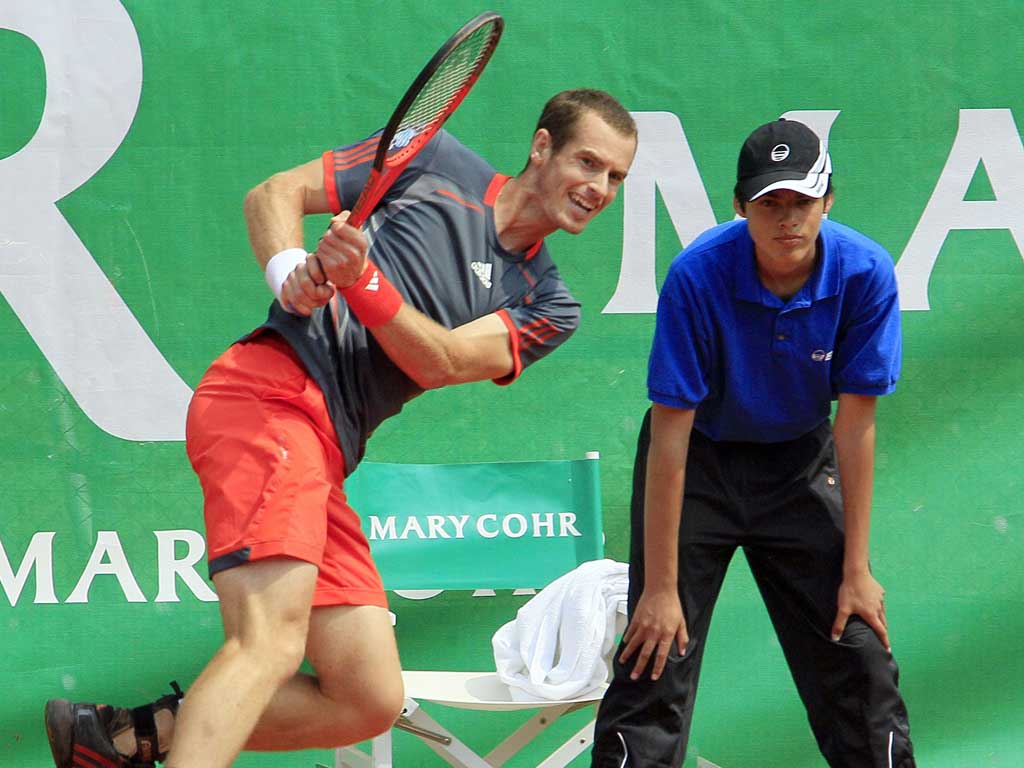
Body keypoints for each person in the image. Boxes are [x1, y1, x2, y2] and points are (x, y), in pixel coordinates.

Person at [44, 88, 637, 768]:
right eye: (588, 163)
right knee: (269, 643)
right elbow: (274, 194)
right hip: (269, 398)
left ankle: (124, 738)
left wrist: (363, 281)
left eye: (615, 177)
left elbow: (442, 360)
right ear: (541, 146)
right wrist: (288, 272)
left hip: (325, 452)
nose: (599, 188)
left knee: (368, 696)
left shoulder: (550, 303)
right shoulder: (433, 160)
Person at [590, 119, 914, 767]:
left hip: (799, 466)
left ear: (828, 200)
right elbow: (671, 435)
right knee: (655, 653)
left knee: (858, 648)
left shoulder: (865, 272)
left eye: (802, 201)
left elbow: (855, 426)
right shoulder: (697, 274)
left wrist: (857, 570)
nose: (787, 218)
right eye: (770, 203)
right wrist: (659, 589)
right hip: (698, 464)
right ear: (740, 206)